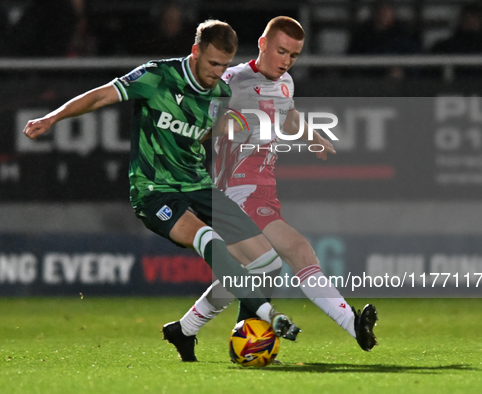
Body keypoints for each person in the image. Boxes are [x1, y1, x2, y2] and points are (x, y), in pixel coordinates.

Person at [23, 19, 301, 346]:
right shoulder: (157, 76)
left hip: (198, 186)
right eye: (213, 63)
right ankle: (269, 317)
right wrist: (52, 117)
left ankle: (198, 334)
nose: (218, 72)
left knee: (267, 262)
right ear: (195, 51)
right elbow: (100, 97)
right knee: (206, 237)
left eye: (225, 65)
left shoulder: (221, 93)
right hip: (155, 191)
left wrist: (231, 127)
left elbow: (202, 130)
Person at [162, 16, 378, 363]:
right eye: (281, 52)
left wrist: (313, 137)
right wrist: (226, 126)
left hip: (264, 189)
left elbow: (286, 112)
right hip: (236, 190)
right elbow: (196, 127)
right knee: (296, 250)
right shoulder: (231, 81)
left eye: (293, 55)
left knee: (251, 273)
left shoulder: (286, 82)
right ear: (262, 45)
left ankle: (184, 329)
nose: (286, 61)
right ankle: (352, 324)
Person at [430, 2, 482, 78]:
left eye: (475, 18)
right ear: (460, 20)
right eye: (467, 17)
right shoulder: (444, 47)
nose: (471, 22)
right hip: (453, 89)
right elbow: (430, 76)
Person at [347, 0, 419, 78]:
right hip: (367, 81)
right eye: (380, 9)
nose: (383, 13)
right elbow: (352, 60)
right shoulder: (362, 35)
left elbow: (415, 63)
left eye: (387, 9)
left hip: (398, 85)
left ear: (393, 12)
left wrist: (402, 72)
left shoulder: (403, 34)